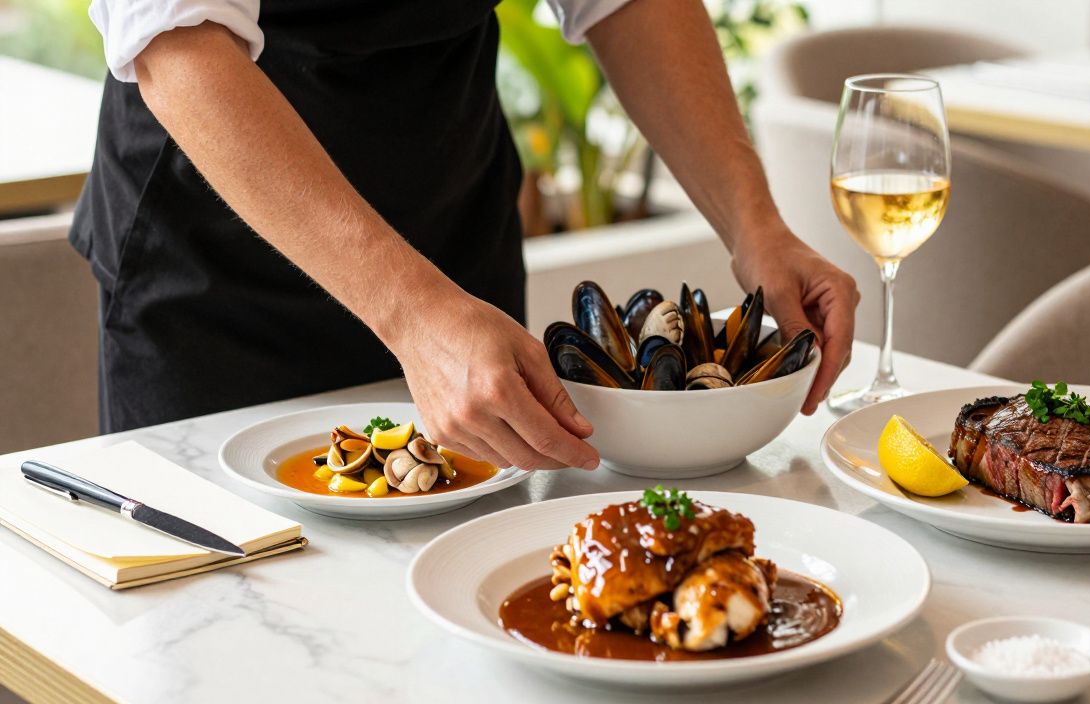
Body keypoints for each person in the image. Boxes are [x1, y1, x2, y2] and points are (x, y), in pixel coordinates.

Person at [75, 0, 859, 471]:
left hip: (455, 238)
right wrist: (414, 314)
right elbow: (179, 46)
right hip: (222, 277)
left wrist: (756, 226)